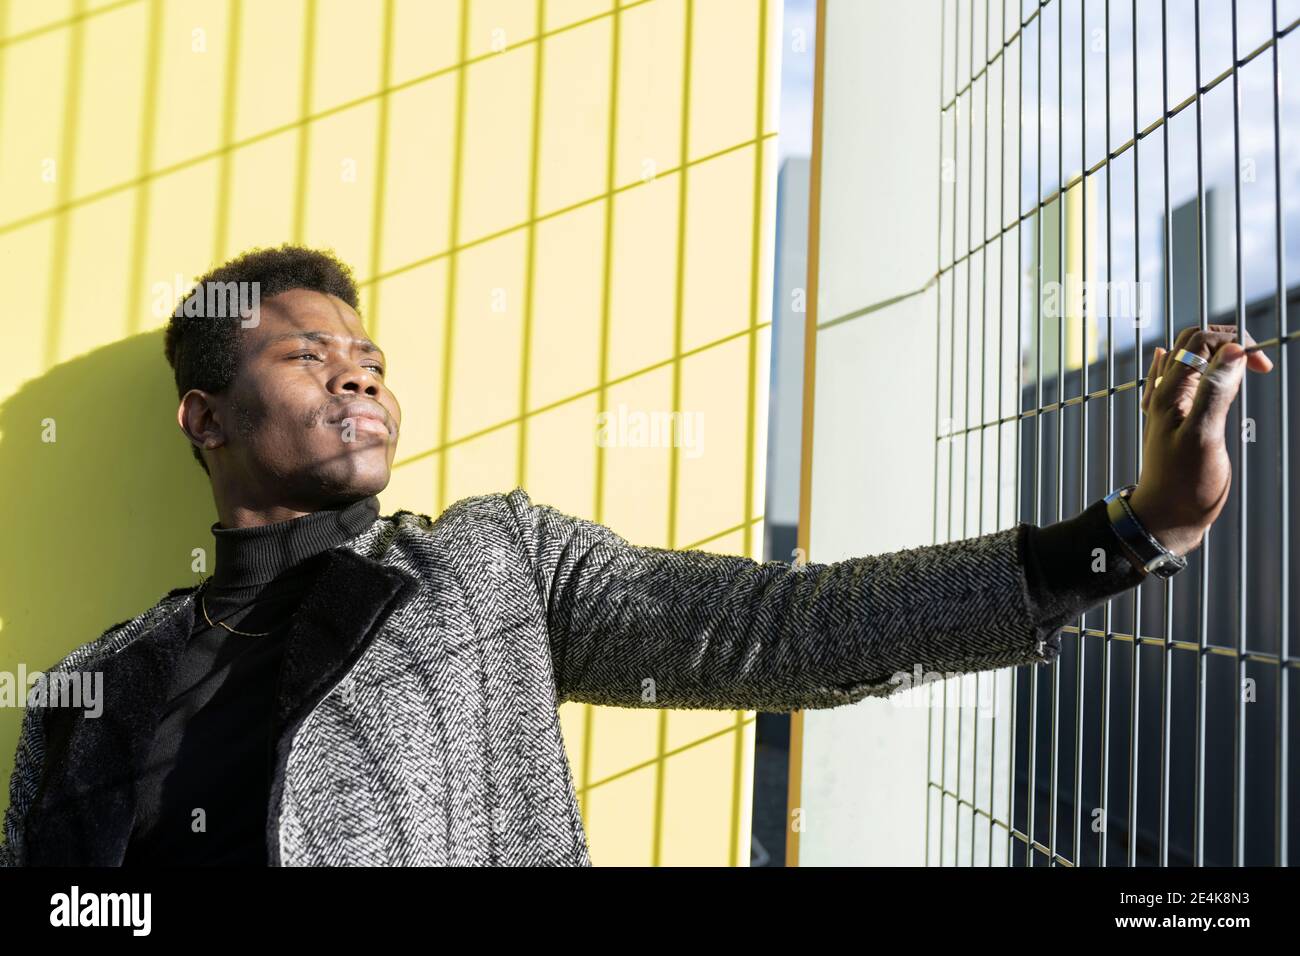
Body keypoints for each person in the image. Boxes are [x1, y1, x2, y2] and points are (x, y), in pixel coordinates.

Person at [0, 243, 1271, 866]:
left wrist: (1126, 534)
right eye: (307, 355)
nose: (359, 375)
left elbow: (783, 628)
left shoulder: (493, 568)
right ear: (205, 418)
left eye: (371, 359)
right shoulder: (91, 690)